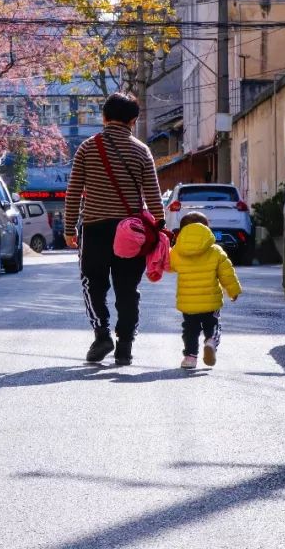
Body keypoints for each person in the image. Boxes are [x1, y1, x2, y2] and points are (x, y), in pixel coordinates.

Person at [63, 93, 165, 366]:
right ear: (133, 120)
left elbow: (73, 192)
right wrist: (160, 225)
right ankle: (125, 346)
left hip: (95, 228)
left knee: (93, 284)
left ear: (104, 117)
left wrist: (69, 228)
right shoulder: (141, 150)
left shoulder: (87, 148)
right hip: (131, 233)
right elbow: (153, 195)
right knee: (128, 289)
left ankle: (102, 334)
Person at [168, 212, 242, 370]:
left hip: (188, 302)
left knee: (190, 330)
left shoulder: (177, 251)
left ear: (182, 231)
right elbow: (227, 274)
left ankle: (190, 357)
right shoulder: (215, 250)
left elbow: (168, 266)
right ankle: (211, 341)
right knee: (212, 325)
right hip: (211, 301)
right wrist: (233, 290)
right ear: (207, 228)